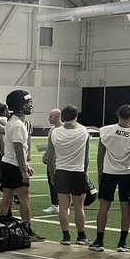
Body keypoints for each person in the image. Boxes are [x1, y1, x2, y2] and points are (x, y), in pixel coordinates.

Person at [90, 104, 130, 253]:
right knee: (126, 208)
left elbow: (100, 155)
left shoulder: (106, 131)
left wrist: (100, 173)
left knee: (104, 207)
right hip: (127, 174)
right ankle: (122, 243)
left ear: (118, 115)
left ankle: (99, 241)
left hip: (108, 173)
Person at [0, 89, 44, 241]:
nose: (29, 105)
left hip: (7, 163)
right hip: (14, 166)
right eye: (26, 103)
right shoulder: (18, 125)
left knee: (7, 198)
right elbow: (18, 149)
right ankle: (27, 230)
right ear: (19, 106)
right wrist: (23, 170)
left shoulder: (14, 122)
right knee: (24, 198)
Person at [46, 104, 90, 246]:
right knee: (79, 207)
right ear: (76, 116)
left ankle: (65, 236)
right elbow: (86, 157)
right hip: (77, 172)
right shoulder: (83, 131)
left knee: (63, 207)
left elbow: (50, 156)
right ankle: (81, 236)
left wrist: (52, 174)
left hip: (61, 171)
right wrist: (85, 171)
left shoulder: (55, 132)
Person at [41, 108, 62, 215]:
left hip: (59, 161)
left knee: (59, 183)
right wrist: (46, 154)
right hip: (52, 160)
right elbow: (50, 145)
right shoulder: (52, 129)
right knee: (51, 182)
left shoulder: (62, 129)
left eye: (51, 116)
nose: (49, 118)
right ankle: (55, 204)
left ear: (58, 117)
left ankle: (61, 205)